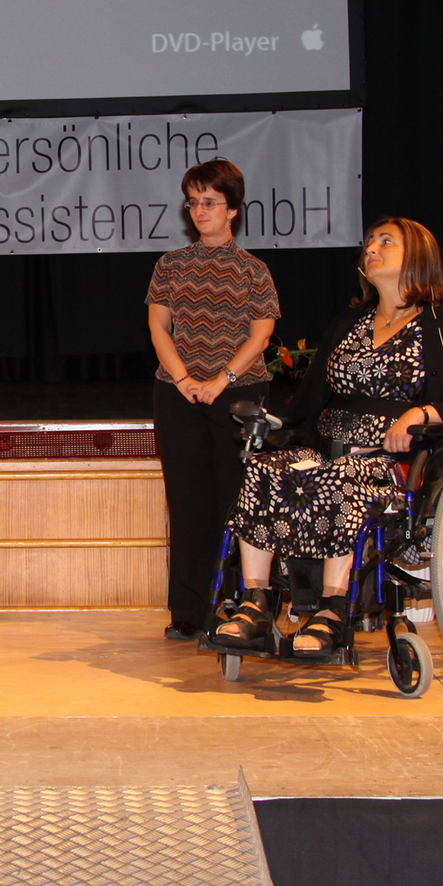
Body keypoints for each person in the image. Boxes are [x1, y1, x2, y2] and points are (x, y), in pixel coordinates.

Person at [215, 216, 443, 656]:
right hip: (327, 449)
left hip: (393, 463)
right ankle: (256, 603)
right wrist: (275, 427)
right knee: (263, 470)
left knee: (341, 475)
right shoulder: (349, 321)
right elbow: (310, 401)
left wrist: (421, 413)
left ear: (418, 256)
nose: (371, 249)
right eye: (369, 242)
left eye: (386, 242)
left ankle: (331, 609)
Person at [146, 159, 279, 641]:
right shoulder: (170, 265)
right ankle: (188, 610)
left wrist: (221, 380)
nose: (199, 211)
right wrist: (184, 380)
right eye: (193, 203)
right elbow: (159, 327)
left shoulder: (254, 271)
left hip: (239, 396)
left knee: (237, 501)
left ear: (233, 209)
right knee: (187, 502)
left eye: (209, 202)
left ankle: (242, 606)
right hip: (178, 394)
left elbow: (261, 336)